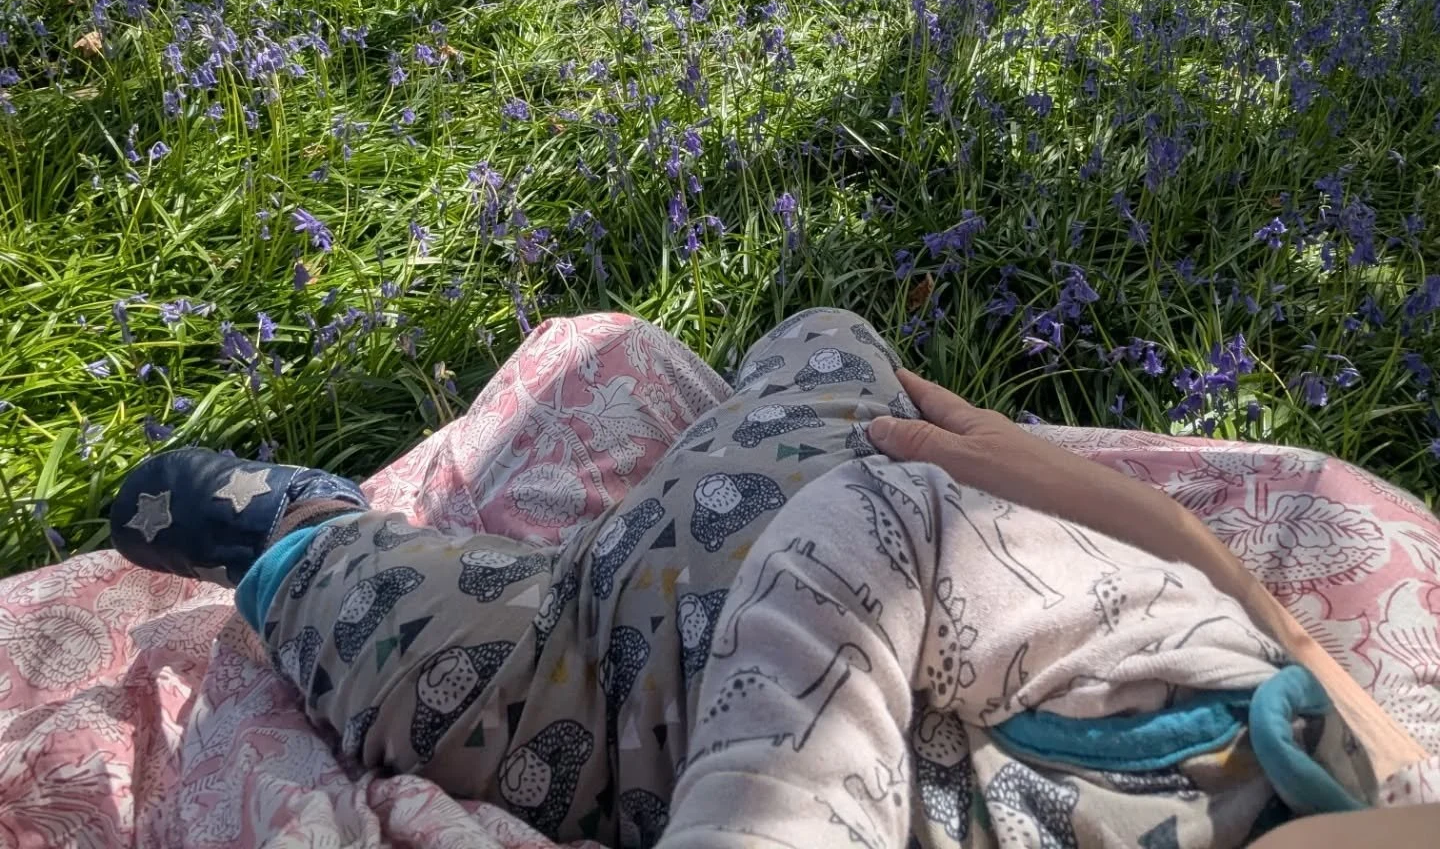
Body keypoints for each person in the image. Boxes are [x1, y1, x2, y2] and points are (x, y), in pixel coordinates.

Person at [109, 309, 1429, 849]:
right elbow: (884, 533)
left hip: (665, 703)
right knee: (420, 666)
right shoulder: (1211, 706)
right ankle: (295, 530)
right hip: (680, 626)